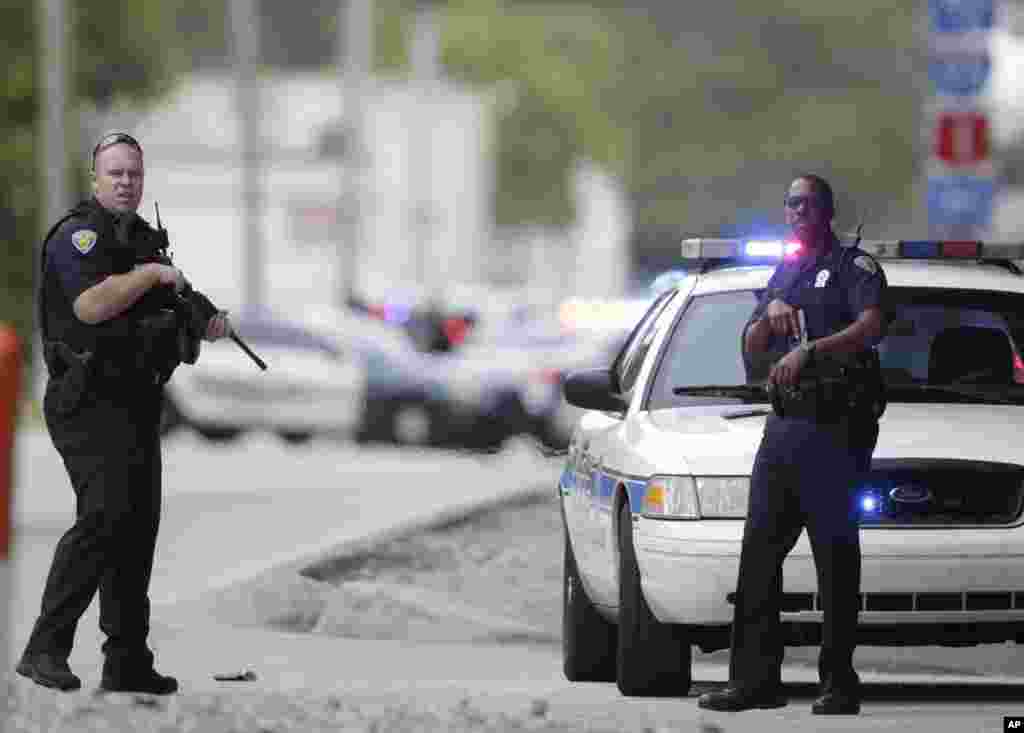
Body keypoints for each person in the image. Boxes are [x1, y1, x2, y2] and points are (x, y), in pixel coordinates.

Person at [16, 132, 232, 694]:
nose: (125, 182)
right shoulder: (78, 236)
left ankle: (127, 660)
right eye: (114, 173)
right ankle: (45, 648)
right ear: (95, 178)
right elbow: (91, 306)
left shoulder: (144, 241)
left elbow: (170, 309)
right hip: (85, 401)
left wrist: (201, 319)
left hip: (135, 401)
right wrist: (153, 277)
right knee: (105, 518)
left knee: (137, 529)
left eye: (133, 173)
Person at [697, 174, 887, 715]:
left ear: (828, 212)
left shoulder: (856, 268)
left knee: (834, 556)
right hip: (783, 428)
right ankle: (753, 682)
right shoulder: (786, 270)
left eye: (809, 204)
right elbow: (753, 345)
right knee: (758, 554)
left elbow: (872, 326)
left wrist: (812, 351)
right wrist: (768, 317)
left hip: (835, 428)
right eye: (791, 204)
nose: (798, 212)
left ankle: (838, 684)